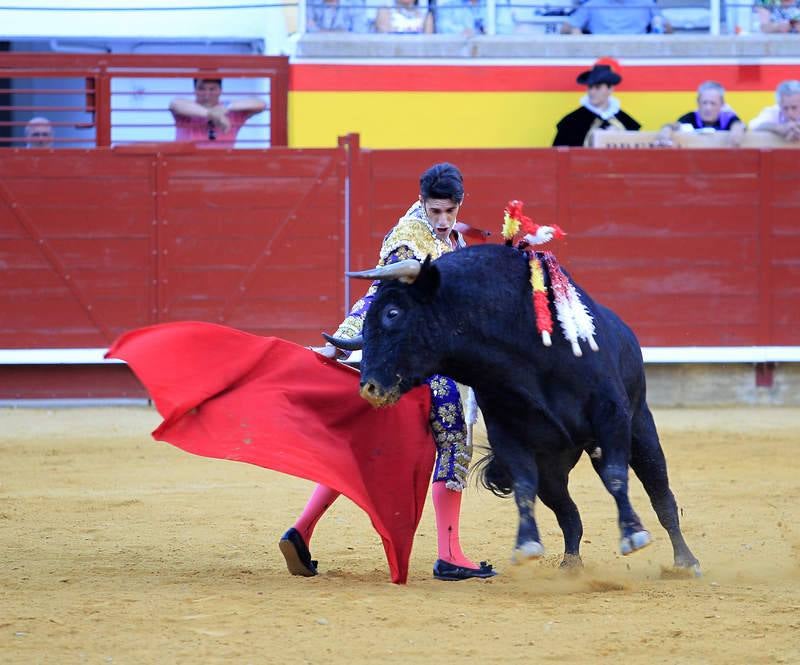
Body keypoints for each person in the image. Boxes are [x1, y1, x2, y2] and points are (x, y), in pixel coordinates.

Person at [279, 163, 495, 581]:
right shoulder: (406, 242)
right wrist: (341, 342)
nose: (443, 220)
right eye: (435, 212)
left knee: (363, 446)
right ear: (421, 203)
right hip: (415, 365)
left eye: (449, 212)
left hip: (408, 363)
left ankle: (301, 530)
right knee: (452, 441)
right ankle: (450, 554)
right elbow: (379, 295)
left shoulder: (445, 232)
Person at [552, 62, 641, 147]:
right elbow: (559, 156)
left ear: (610, 89)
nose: (592, 92)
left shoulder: (626, 121)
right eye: (590, 87)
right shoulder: (571, 122)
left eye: (598, 87)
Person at [169, 78, 266, 148]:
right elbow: (175, 103)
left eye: (212, 89)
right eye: (202, 89)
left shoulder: (231, 112)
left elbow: (260, 104)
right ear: (195, 90)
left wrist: (226, 107)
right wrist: (211, 114)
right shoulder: (187, 110)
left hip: (221, 169)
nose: (207, 94)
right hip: (186, 168)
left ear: (220, 90)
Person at [655, 81, 746, 147]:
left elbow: (739, 126)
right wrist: (666, 128)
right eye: (704, 103)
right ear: (698, 102)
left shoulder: (729, 119)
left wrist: (737, 129)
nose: (708, 108)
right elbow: (675, 125)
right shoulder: (690, 118)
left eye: (712, 103)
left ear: (722, 104)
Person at [561, 0, 671, 34]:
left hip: (639, 51)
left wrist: (665, 28)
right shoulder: (592, 4)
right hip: (600, 53)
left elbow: (668, 29)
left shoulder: (647, 3)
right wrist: (574, 31)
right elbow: (565, 28)